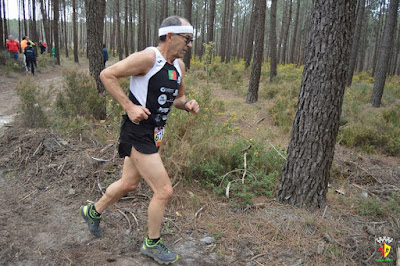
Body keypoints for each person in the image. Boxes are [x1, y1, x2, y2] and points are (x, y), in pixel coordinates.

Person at [80, 16, 199, 265]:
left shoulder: (179, 66)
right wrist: (129, 106)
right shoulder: (148, 58)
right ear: (170, 36)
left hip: (155, 133)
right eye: (187, 39)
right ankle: (152, 243)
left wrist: (186, 104)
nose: (189, 45)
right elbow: (107, 74)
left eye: (191, 40)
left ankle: (92, 211)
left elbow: (178, 97)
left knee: (128, 183)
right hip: (137, 132)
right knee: (164, 191)